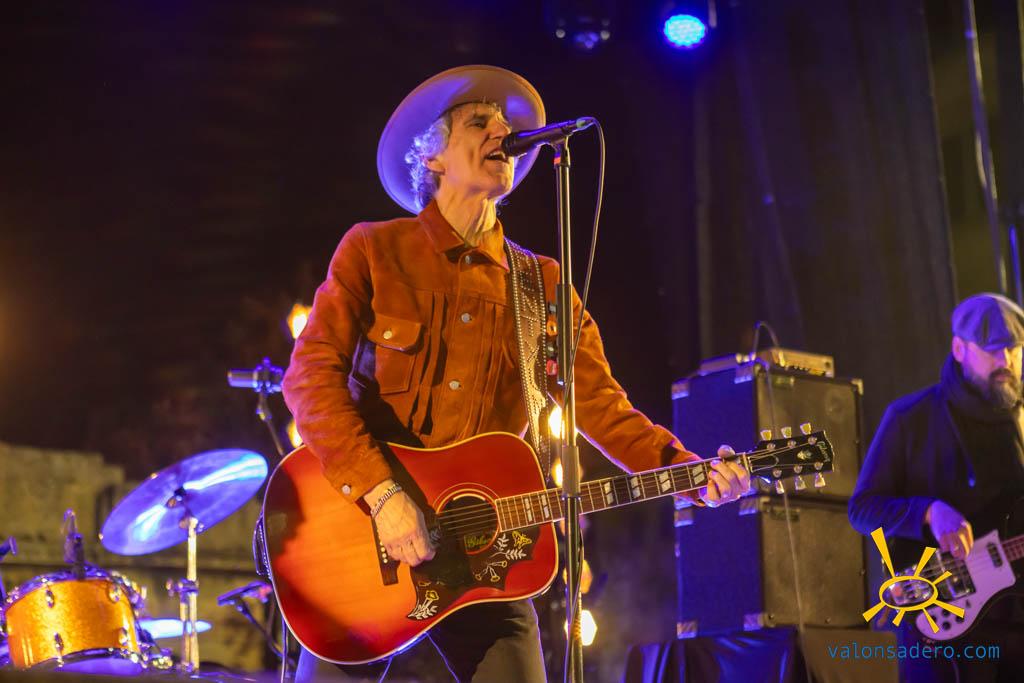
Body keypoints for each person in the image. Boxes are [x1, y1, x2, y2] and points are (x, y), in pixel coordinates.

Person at [282, 65, 751, 683]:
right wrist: (385, 495)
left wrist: (692, 472)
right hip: (363, 535)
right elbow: (308, 380)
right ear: (432, 157)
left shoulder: (544, 286)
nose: (501, 132)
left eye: (504, 124)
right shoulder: (375, 249)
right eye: (479, 122)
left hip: (487, 551)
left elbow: (603, 409)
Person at [849, 292, 1024, 683]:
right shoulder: (911, 418)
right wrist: (928, 512)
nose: (1006, 362)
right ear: (959, 349)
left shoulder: (1020, 419)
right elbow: (862, 508)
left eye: (1014, 349)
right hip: (942, 621)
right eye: (992, 350)